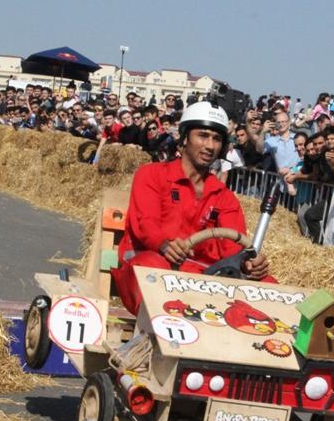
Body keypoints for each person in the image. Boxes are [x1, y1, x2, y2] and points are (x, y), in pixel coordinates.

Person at [111, 102, 273, 314]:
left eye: (217, 139)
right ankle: (160, 328)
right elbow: (146, 225)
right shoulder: (151, 174)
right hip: (152, 266)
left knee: (269, 284)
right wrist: (164, 245)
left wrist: (248, 263)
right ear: (185, 137)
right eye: (203, 136)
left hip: (203, 281)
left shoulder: (224, 196)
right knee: (153, 269)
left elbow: (233, 247)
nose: (210, 146)